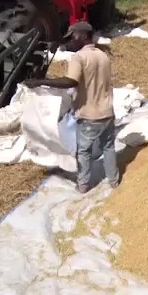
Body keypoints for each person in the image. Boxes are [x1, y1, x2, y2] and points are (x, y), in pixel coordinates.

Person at [22, 22, 117, 192]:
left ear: (82, 35)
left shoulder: (79, 57)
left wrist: (41, 81)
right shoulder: (103, 56)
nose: (71, 40)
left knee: (84, 152)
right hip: (108, 112)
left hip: (90, 115)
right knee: (108, 148)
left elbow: (70, 81)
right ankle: (113, 180)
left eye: (73, 36)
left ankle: (83, 186)